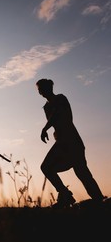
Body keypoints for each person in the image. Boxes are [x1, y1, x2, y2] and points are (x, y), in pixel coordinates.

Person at [36, 78, 104, 208]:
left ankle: (98, 199)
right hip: (61, 143)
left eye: (42, 89)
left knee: (82, 172)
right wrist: (48, 128)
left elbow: (59, 115)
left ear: (50, 88)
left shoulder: (61, 98)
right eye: (39, 90)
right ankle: (65, 195)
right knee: (46, 167)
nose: (41, 92)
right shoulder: (46, 107)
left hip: (72, 141)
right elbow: (53, 120)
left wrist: (45, 128)